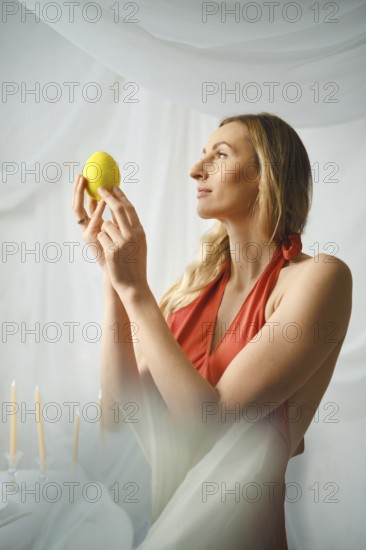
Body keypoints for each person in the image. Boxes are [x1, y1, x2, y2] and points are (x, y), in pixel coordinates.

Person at [72, 112, 353, 549]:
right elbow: (119, 416)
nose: (194, 169)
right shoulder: (191, 294)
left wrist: (138, 292)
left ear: (266, 175)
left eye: (219, 155)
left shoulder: (319, 278)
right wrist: (115, 281)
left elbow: (212, 421)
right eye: (202, 154)